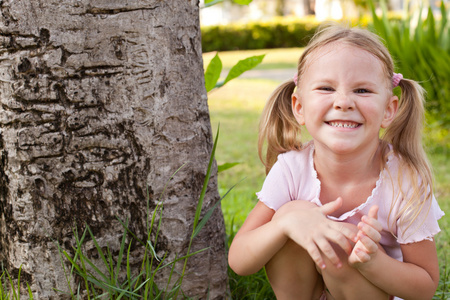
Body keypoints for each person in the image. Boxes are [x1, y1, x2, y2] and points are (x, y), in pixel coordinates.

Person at [228, 25, 444, 300]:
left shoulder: (405, 180)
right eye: (326, 88)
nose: (343, 102)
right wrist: (287, 223)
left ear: (389, 110)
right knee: (290, 215)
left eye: (363, 90)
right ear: (299, 107)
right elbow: (239, 260)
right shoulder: (291, 169)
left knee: (340, 244)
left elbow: (425, 287)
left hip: (373, 292)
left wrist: (373, 262)